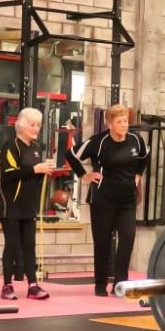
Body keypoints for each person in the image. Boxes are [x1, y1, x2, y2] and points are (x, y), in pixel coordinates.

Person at [65, 104, 149, 297]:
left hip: (127, 201)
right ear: (110, 124)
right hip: (103, 200)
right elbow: (71, 154)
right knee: (102, 242)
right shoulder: (99, 142)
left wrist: (138, 174)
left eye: (126, 121)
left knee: (127, 239)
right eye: (119, 122)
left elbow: (144, 156)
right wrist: (84, 175)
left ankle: (120, 283)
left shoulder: (136, 140)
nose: (124, 125)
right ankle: (100, 284)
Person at [0, 107, 52, 301]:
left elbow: (31, 177)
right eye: (31, 124)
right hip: (10, 205)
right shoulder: (11, 146)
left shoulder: (35, 148)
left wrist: (42, 172)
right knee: (11, 245)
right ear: (20, 124)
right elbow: (9, 174)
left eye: (38, 125)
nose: (35, 128)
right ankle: (7, 285)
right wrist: (35, 169)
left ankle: (33, 285)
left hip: (28, 206)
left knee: (30, 245)